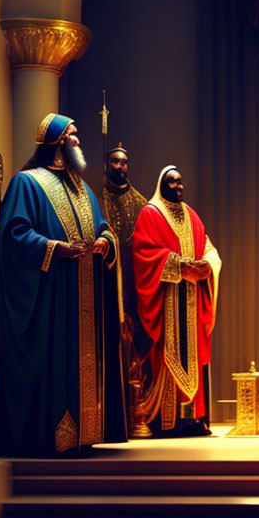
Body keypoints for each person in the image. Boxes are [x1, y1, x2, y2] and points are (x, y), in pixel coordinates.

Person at [0, 113, 126, 457]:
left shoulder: (83, 189)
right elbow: (13, 236)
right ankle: (52, 435)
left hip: (84, 296)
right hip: (53, 298)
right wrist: (55, 249)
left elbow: (102, 225)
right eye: (73, 134)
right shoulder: (27, 183)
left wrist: (106, 242)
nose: (79, 140)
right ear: (57, 141)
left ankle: (87, 431)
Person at [133, 166, 221, 436]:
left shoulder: (191, 215)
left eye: (180, 182)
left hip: (191, 304)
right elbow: (143, 252)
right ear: (162, 184)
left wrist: (206, 266)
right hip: (167, 304)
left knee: (192, 357)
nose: (178, 187)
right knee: (167, 358)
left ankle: (191, 419)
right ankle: (165, 420)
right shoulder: (151, 213)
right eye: (172, 182)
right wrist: (179, 266)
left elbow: (208, 249)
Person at [100, 142, 149, 435]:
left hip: (134, 285)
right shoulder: (96, 199)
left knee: (136, 349)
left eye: (124, 162)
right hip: (108, 284)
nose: (120, 167)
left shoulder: (142, 204)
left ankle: (138, 413)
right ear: (107, 165)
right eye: (115, 162)